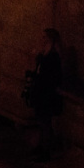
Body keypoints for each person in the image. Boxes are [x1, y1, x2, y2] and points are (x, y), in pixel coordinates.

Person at [24, 28, 63, 161]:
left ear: (51, 39)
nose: (42, 40)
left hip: (46, 94)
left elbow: (51, 77)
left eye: (45, 37)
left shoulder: (53, 57)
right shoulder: (44, 55)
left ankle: (46, 151)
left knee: (45, 122)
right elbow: (39, 71)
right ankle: (41, 147)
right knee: (41, 121)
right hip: (40, 92)